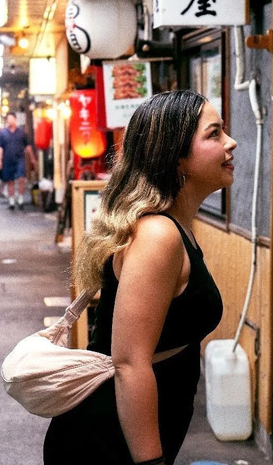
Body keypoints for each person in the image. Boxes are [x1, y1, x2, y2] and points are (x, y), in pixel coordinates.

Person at [43, 90, 237, 465]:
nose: (230, 143)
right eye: (214, 134)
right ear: (176, 157)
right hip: (106, 440)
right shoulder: (158, 234)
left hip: (128, 431)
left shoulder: (175, 227)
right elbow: (129, 363)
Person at [0, 112, 35, 210]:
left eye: (12, 118)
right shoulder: (3, 133)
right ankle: (11, 200)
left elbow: (28, 146)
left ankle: (20, 198)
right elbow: (0, 147)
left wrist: (32, 158)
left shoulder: (22, 132)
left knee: (21, 178)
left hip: (20, 158)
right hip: (7, 159)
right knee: (10, 180)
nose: (10, 121)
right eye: (8, 119)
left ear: (15, 119)